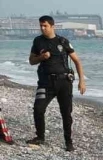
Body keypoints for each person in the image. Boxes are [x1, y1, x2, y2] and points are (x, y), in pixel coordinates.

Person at [27, 15, 86, 151]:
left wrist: (81, 81)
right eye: (41, 26)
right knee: (38, 109)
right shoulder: (38, 41)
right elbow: (31, 60)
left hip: (64, 82)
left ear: (52, 26)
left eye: (45, 26)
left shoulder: (62, 41)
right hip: (45, 83)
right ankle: (40, 136)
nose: (42, 28)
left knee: (66, 113)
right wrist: (41, 57)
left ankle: (68, 142)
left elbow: (77, 61)